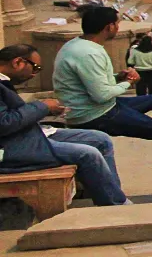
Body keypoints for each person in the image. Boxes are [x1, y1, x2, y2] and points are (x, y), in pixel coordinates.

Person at [54, 6, 152, 201]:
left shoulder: (77, 45)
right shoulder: (89, 53)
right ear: (109, 26)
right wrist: (128, 83)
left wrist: (117, 77)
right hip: (96, 114)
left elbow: (91, 82)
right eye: (117, 23)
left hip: (101, 106)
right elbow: (101, 95)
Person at [0, 45, 128, 206]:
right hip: (9, 150)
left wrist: (46, 111)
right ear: (17, 62)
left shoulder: (4, 82)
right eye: (35, 67)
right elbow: (4, 123)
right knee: (88, 154)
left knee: (100, 139)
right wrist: (42, 106)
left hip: (26, 136)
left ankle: (110, 195)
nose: (34, 74)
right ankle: (117, 206)